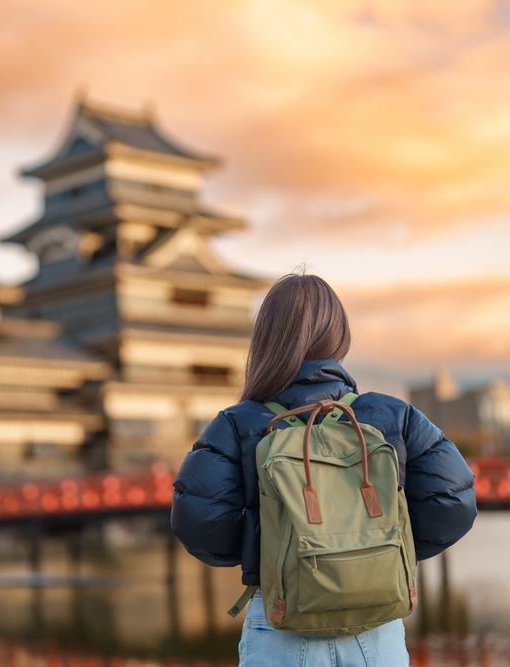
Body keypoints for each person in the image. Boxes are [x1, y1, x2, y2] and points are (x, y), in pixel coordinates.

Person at [171, 273, 477, 667]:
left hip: (281, 622)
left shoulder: (236, 423)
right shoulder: (393, 416)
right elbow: (454, 500)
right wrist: (381, 550)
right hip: (376, 623)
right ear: (340, 337)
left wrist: (270, 550)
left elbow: (198, 521)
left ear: (265, 341)